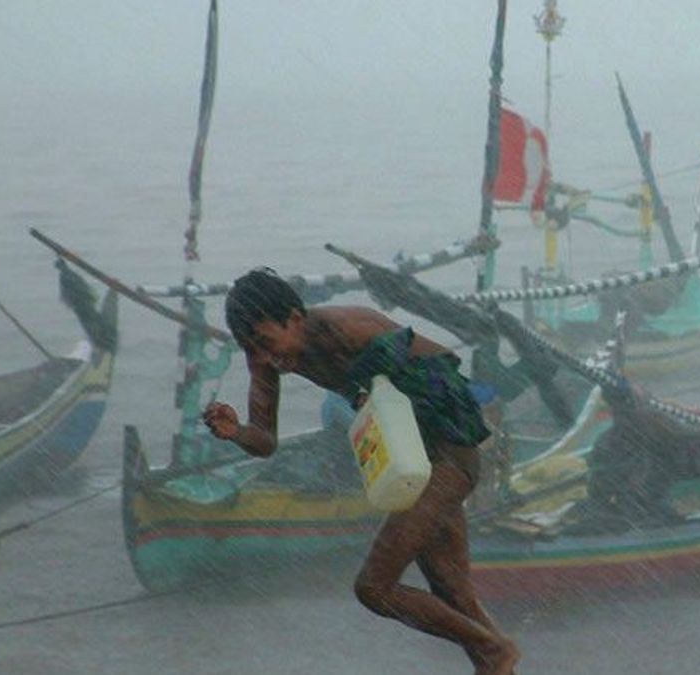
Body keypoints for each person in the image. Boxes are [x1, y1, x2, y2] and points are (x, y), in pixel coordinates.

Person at [202, 267, 519, 675]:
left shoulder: (349, 330)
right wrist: (235, 432)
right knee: (452, 590)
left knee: (374, 588)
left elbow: (449, 380)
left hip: (449, 454)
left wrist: (382, 396)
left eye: (265, 342)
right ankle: (495, 660)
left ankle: (495, 650)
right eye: (251, 349)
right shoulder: (266, 356)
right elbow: (265, 441)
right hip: (414, 464)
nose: (264, 358)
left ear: (295, 318)